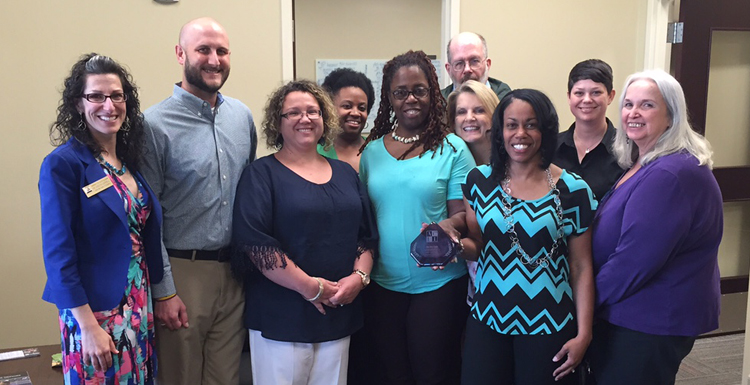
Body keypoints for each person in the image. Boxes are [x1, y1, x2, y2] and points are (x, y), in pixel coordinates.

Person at [231, 80, 377, 384]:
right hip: (282, 317)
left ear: (325, 118)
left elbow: (365, 236)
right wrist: (311, 288)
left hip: (338, 312)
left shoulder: (345, 174)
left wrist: (359, 279)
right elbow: (257, 245)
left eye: (313, 111)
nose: (305, 118)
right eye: (293, 113)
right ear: (278, 122)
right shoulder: (261, 174)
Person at [141, 17, 257, 385]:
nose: (213, 59)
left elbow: (251, 193)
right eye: (203, 49)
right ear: (180, 54)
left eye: (221, 51)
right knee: (181, 377)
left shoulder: (242, 117)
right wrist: (164, 291)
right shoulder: (153, 125)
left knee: (227, 378)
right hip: (182, 271)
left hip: (234, 271)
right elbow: (147, 216)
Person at [588, 70, 723, 385]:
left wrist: (582, 303)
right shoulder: (647, 162)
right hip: (636, 314)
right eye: (628, 104)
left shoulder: (671, 174)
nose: (633, 113)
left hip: (649, 320)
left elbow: (633, 262)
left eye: (647, 105)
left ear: (671, 115)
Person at [40, 53, 163, 385]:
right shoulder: (64, 164)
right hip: (93, 310)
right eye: (96, 96)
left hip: (137, 300)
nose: (108, 105)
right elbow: (58, 254)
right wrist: (87, 327)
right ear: (79, 104)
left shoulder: (126, 160)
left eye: (116, 95)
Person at [460, 89, 596, 384]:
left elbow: (582, 266)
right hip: (488, 319)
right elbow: (477, 244)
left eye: (531, 124)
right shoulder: (478, 182)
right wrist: (448, 243)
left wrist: (584, 334)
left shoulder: (573, 189)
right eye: (511, 125)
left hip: (549, 324)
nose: (520, 133)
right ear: (500, 131)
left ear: (545, 130)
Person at [359, 50, 476, 384]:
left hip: (437, 284)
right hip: (382, 285)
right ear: (389, 98)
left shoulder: (453, 149)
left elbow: (462, 216)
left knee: (433, 373)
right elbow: (366, 217)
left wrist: (445, 228)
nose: (410, 98)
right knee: (391, 373)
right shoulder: (371, 151)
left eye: (419, 90)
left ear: (433, 93)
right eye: (400, 92)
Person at [446, 80, 499, 306]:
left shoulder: (514, 165)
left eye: (479, 110)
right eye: (461, 112)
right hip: (464, 284)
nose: (470, 118)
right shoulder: (448, 164)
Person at [554, 59, 625, 201]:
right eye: (579, 93)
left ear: (611, 96)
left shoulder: (627, 149)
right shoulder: (550, 147)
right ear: (569, 97)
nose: (587, 100)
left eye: (596, 92)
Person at [319, 68, 376, 171]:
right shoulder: (316, 152)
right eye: (347, 106)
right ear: (330, 108)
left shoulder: (377, 150)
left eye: (362, 108)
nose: (355, 113)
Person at [441, 32, 511, 102]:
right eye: (459, 63)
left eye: (474, 61)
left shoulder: (506, 102)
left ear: (487, 64)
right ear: (448, 69)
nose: (467, 69)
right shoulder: (437, 104)